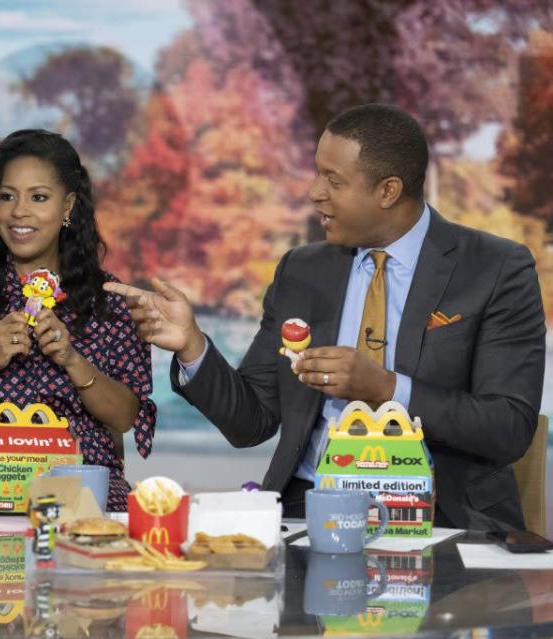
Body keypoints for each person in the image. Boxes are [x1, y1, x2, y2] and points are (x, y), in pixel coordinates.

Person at [105, 104, 545, 531]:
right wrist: (192, 346)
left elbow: (507, 427)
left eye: (333, 180)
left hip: (442, 515)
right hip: (306, 509)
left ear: (387, 191)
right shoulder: (302, 270)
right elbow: (251, 422)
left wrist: (386, 389)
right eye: (318, 174)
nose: (315, 192)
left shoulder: (495, 268)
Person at [0, 129, 156, 513]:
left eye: (38, 197)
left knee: (103, 520)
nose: (19, 212)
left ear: (67, 206)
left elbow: (123, 416)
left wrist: (71, 359)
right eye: (7, 197)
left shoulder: (108, 297)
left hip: (79, 475)